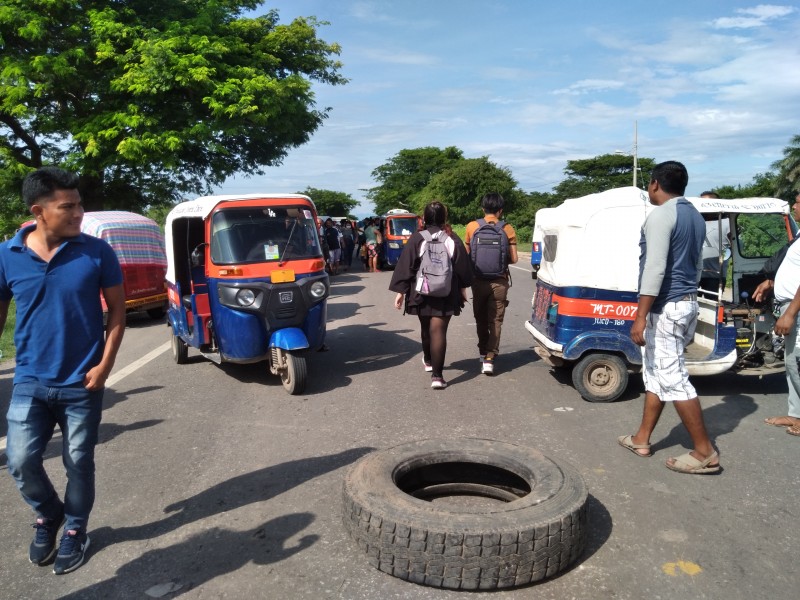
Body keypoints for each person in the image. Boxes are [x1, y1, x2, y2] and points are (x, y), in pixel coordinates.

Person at [0, 167, 126, 574]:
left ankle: (76, 528)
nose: (79, 213)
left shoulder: (96, 251)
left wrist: (105, 365)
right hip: (30, 379)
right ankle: (50, 512)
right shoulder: (7, 256)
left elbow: (118, 312)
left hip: (82, 382)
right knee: (19, 460)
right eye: (68, 207)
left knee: (78, 461)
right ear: (39, 210)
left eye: (80, 204)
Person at [618, 161, 721, 474]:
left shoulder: (661, 215)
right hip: (687, 302)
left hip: (667, 307)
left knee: (673, 377)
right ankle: (642, 438)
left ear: (653, 184)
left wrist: (640, 316)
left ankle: (704, 451)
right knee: (656, 372)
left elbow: (656, 267)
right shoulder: (694, 214)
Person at [389, 201, 473, 389]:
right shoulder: (452, 238)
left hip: (421, 292)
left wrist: (401, 292)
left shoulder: (417, 238)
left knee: (426, 328)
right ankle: (437, 377)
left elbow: (406, 266)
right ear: (444, 218)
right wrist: (463, 289)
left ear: (424, 218)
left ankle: (428, 360)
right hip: (446, 292)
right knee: (439, 331)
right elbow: (462, 268)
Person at [464, 192, 518, 375]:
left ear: (482, 208)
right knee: (496, 320)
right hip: (499, 282)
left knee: (480, 318)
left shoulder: (472, 227)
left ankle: (481, 351)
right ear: (500, 210)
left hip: (478, 281)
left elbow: (467, 255)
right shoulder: (507, 228)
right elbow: (515, 258)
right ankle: (490, 357)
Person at [763, 208, 800, 436]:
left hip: (796, 308)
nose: (794, 207)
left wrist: (790, 313)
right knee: (791, 362)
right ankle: (795, 413)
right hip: (790, 305)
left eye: (797, 202)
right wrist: (770, 283)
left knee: (798, 360)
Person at [698, 191, 731, 297]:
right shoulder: (692, 220)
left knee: (712, 309)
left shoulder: (727, 222)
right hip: (693, 275)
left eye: (708, 204)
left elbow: (734, 246)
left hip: (716, 276)